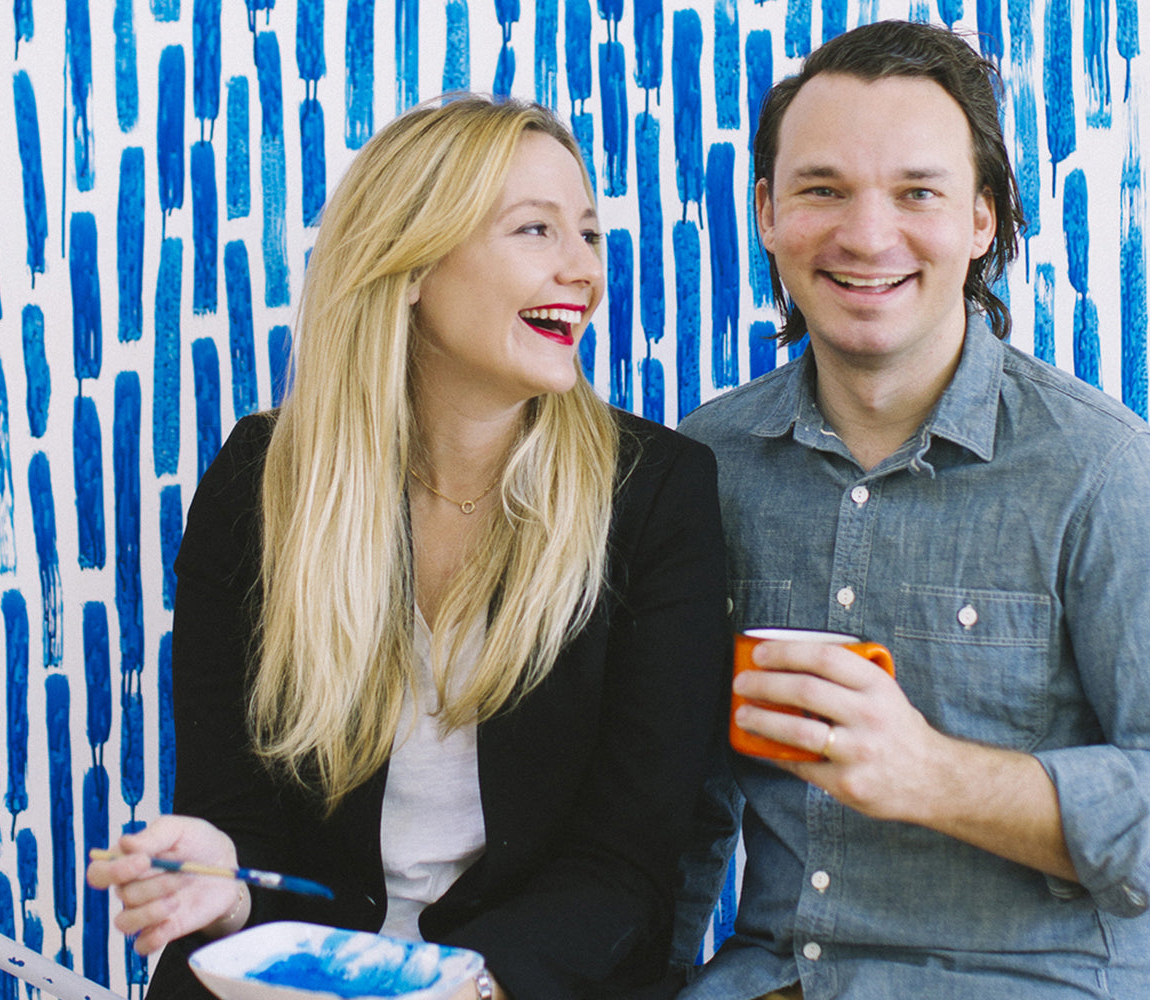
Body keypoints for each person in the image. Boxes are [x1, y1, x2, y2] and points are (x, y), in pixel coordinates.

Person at [673, 20, 1150, 1000]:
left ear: (985, 218)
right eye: (824, 190)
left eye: (918, 193)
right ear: (767, 213)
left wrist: (935, 774)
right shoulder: (704, 464)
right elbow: (672, 804)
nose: (868, 236)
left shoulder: (1104, 471)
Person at [87, 95, 730, 1000]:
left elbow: (625, 867)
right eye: (536, 230)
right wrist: (221, 880)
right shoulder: (259, 483)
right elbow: (240, 823)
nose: (583, 269)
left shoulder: (656, 493)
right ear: (412, 262)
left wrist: (462, 988)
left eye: (587, 234)